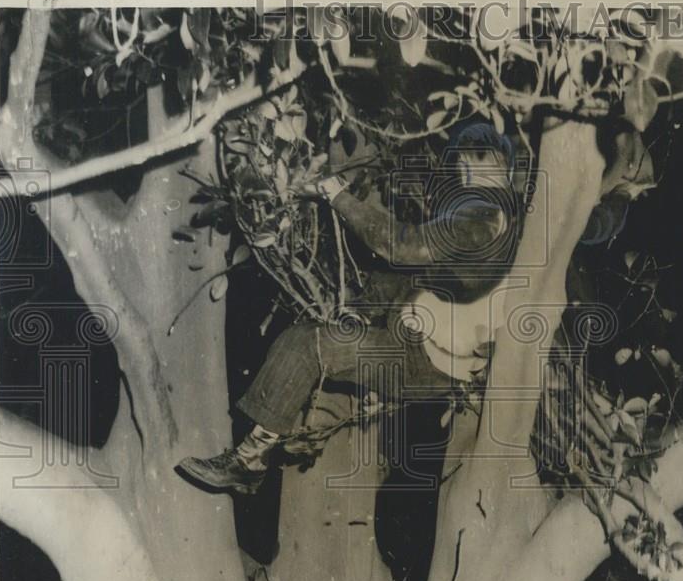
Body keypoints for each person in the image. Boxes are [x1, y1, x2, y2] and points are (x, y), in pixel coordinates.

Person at [176, 122, 521, 494]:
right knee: (334, 333)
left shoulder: (484, 214)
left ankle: (249, 461)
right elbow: (422, 277)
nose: (465, 174)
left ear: (502, 168)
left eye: (475, 163)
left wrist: (336, 194)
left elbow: (402, 246)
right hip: (429, 354)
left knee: (308, 344)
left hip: (425, 362)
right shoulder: (499, 224)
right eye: (463, 164)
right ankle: (284, 438)